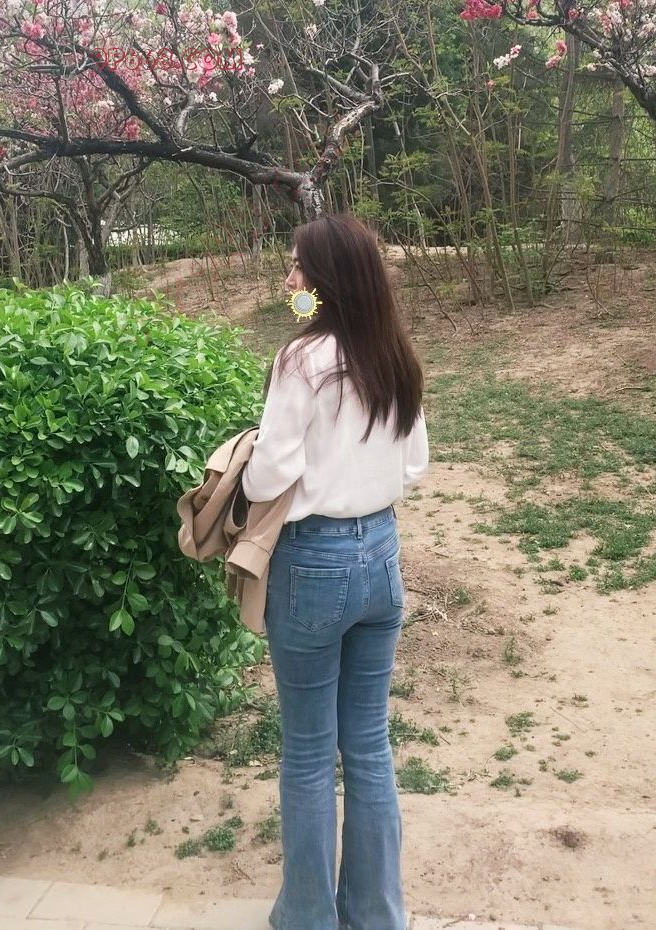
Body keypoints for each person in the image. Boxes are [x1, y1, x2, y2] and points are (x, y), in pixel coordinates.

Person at [241, 213, 429, 930]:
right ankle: (377, 915)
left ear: (326, 279)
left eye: (297, 266)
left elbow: (267, 479)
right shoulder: (396, 355)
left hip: (313, 563)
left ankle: (309, 917)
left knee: (309, 753)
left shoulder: (301, 360)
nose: (289, 277)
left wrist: (256, 462)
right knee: (370, 746)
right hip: (381, 554)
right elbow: (413, 465)